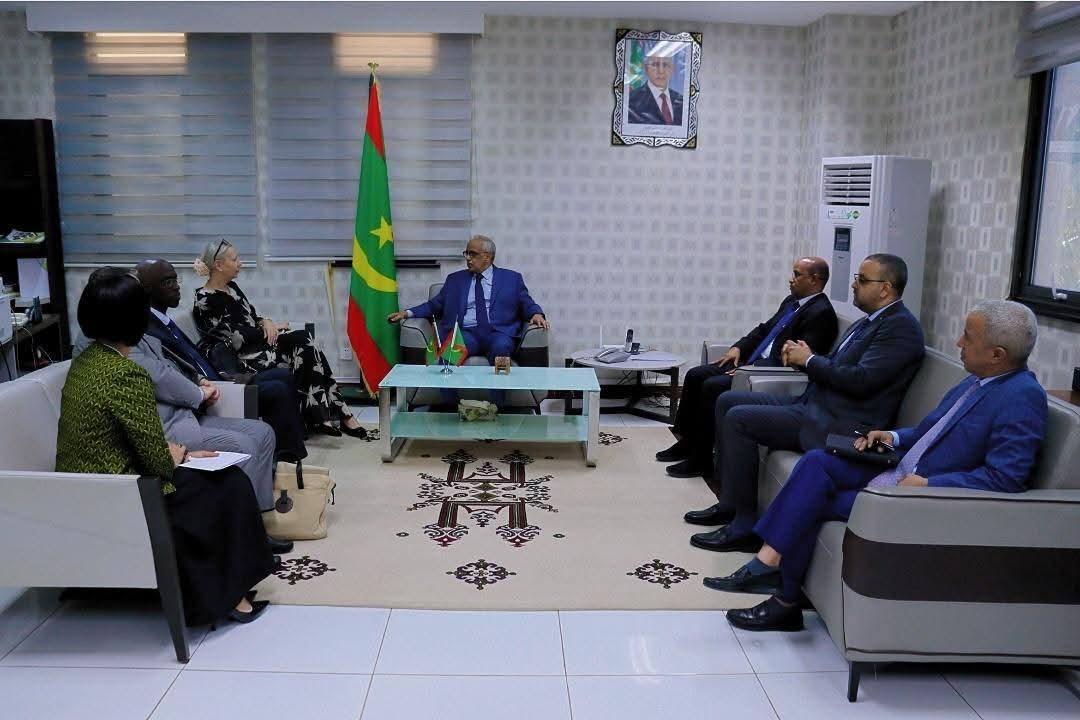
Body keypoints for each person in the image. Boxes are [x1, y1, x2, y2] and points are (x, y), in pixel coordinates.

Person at [711, 300, 1047, 631]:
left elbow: (1005, 478)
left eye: (968, 338)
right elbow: (929, 431)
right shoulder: (975, 380)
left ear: (997, 355)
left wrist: (930, 485)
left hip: (919, 493)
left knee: (815, 501)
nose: (959, 343)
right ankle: (770, 562)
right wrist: (892, 436)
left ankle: (783, 599)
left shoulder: (1022, 397)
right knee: (816, 462)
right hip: (894, 466)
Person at [56, 268, 275, 627]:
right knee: (229, 485)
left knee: (222, 478)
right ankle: (227, 597)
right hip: (124, 490)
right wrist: (176, 456)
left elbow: (135, 438)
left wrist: (183, 454)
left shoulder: (87, 359)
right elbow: (157, 460)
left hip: (96, 482)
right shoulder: (126, 373)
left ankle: (232, 587)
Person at [686, 253, 925, 547]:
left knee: (739, 419)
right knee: (727, 401)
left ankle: (744, 526)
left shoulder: (900, 328)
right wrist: (805, 357)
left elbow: (862, 381)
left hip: (838, 422)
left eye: (862, 280)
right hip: (812, 403)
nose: (854, 285)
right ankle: (729, 504)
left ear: (885, 288)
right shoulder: (868, 322)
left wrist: (809, 360)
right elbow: (838, 366)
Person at [659, 257, 838, 479]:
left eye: (797, 274)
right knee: (695, 375)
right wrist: (738, 348)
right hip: (750, 362)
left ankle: (701, 459)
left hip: (765, 372)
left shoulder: (821, 314)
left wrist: (751, 369)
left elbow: (795, 359)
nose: (790, 279)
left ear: (814, 280)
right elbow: (763, 330)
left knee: (712, 386)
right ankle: (687, 442)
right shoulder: (792, 302)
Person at [191, 239, 366, 439]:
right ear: (219, 265)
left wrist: (266, 321)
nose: (240, 263)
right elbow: (235, 338)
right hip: (246, 358)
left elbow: (251, 318)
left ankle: (325, 416)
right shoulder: (205, 300)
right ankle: (340, 415)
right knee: (306, 347)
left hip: (262, 346)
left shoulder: (233, 287)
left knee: (306, 342)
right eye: (235, 259)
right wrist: (268, 328)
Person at [136, 259, 307, 462]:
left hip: (220, 378)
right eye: (168, 282)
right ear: (147, 289)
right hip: (211, 394)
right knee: (277, 391)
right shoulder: (149, 330)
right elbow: (172, 373)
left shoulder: (164, 321)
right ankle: (285, 460)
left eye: (176, 279)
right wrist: (205, 385)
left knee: (283, 375)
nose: (176, 286)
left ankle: (290, 453)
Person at [387, 235, 549, 365]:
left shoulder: (511, 279)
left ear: (487, 257)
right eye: (467, 254)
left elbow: (526, 302)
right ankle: (449, 396)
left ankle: (498, 397)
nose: (468, 259)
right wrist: (407, 313)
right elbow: (434, 305)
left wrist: (536, 314)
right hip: (466, 333)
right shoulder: (455, 280)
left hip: (498, 333)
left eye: (473, 254)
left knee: (501, 347)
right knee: (450, 354)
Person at [628, 49, 684, 126]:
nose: (661, 71)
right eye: (655, 65)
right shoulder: (631, 101)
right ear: (646, 68)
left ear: (672, 69)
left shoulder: (682, 101)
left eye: (665, 65)